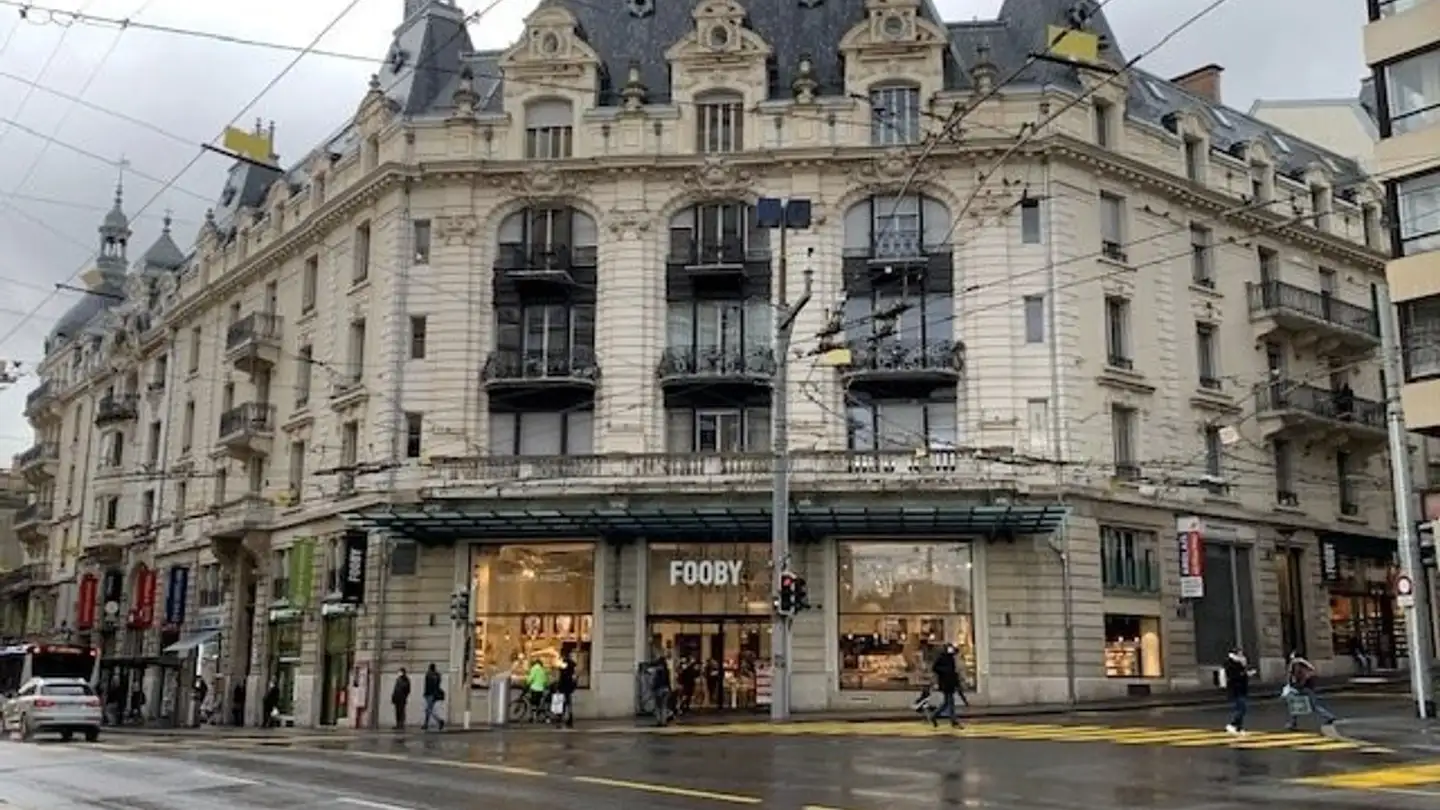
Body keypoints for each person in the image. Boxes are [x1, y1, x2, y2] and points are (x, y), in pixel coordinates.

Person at [1284, 651, 1336, 730]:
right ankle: (1329, 716)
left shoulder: (1296, 664)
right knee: (1313, 705)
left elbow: (1299, 676)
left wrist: (1297, 686)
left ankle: (1293, 723)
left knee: (1293, 705)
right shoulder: (1305, 664)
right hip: (1308, 688)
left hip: (1301, 688)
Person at [928, 644, 964, 728]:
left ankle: (934, 716)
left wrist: (956, 683)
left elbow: (953, 673)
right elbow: (935, 668)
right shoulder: (942, 658)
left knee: (947, 703)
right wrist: (945, 671)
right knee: (950, 702)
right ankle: (953, 721)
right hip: (945, 682)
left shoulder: (950, 658)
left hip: (949, 682)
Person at [1222, 646, 1255, 735]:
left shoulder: (1241, 662)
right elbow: (1233, 676)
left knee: (1241, 708)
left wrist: (1246, 673)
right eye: (1240, 653)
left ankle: (1239, 728)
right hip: (1235, 689)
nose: (1242, 654)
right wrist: (1245, 674)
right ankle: (1232, 725)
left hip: (1242, 688)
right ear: (1236, 653)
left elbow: (1242, 674)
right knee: (1242, 708)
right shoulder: (1230, 662)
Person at [555, 650, 578, 728]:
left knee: (560, 702)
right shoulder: (572, 664)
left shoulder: (564, 663)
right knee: (568, 702)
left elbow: (560, 674)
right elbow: (575, 674)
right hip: (570, 685)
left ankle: (560, 718)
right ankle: (570, 718)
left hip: (563, 685)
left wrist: (557, 684)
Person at [650, 655, 672, 727]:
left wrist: (653, 688)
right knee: (664, 706)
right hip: (666, 689)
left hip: (658, 689)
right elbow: (668, 681)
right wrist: (670, 689)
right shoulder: (667, 670)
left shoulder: (657, 671)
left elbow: (654, 681)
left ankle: (659, 721)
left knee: (657, 706)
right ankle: (664, 721)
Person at [422, 663, 445, 731]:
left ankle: (439, 721)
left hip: (430, 694)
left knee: (428, 710)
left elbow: (428, 686)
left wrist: (426, 694)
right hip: (434, 694)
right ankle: (426, 724)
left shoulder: (429, 675)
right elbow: (437, 685)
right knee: (428, 710)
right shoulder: (437, 675)